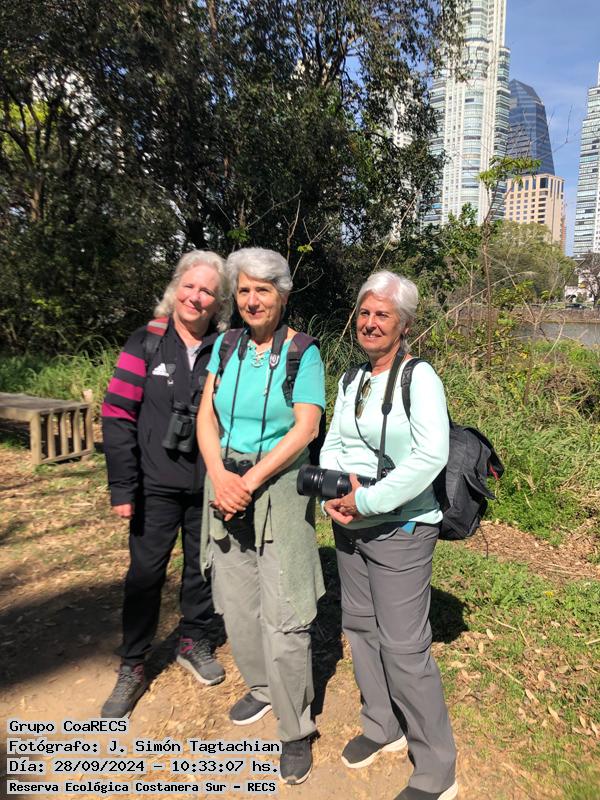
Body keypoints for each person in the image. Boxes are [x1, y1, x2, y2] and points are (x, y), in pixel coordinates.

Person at [319, 271, 458, 800]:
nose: (371, 323)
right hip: (350, 524)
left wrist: (368, 500)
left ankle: (437, 769)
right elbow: (333, 442)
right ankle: (382, 725)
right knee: (359, 627)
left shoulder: (419, 378)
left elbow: (431, 455)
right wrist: (334, 491)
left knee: (404, 646)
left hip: (401, 527)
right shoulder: (352, 379)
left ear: (403, 325)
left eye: (383, 314)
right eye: (365, 312)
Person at [197, 247, 325, 785]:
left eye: (263, 290)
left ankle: (295, 728)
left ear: (283, 296)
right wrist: (220, 475)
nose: (252, 300)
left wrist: (247, 483)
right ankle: (261, 688)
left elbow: (306, 428)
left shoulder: (302, 353)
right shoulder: (226, 346)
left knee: (285, 609)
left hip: (277, 489)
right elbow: (206, 416)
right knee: (237, 601)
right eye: (244, 290)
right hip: (223, 481)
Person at [101, 250, 231, 718]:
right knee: (145, 575)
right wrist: (123, 486)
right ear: (176, 288)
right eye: (189, 286)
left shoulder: (226, 349)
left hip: (206, 484)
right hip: (153, 485)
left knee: (202, 568)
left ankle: (193, 640)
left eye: (207, 291)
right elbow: (117, 414)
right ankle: (133, 663)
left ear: (219, 303)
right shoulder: (146, 342)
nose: (195, 297)